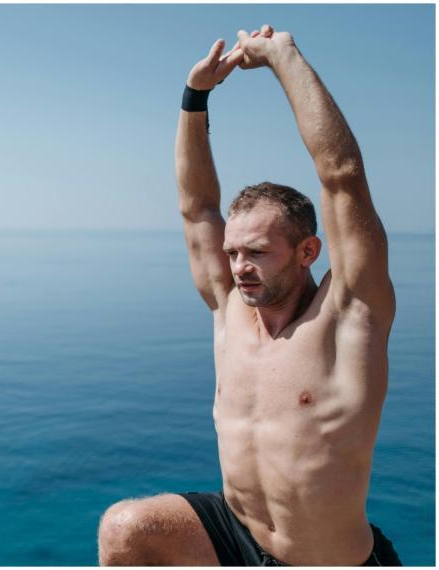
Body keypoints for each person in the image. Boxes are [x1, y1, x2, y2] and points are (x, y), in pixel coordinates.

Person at [97, 25, 402, 566]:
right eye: (233, 252)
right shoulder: (229, 308)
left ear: (309, 251)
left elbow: (343, 177)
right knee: (127, 529)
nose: (238, 268)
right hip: (237, 537)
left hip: (326, 558)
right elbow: (196, 207)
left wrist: (284, 60)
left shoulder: (350, 314)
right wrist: (195, 96)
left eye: (256, 252)